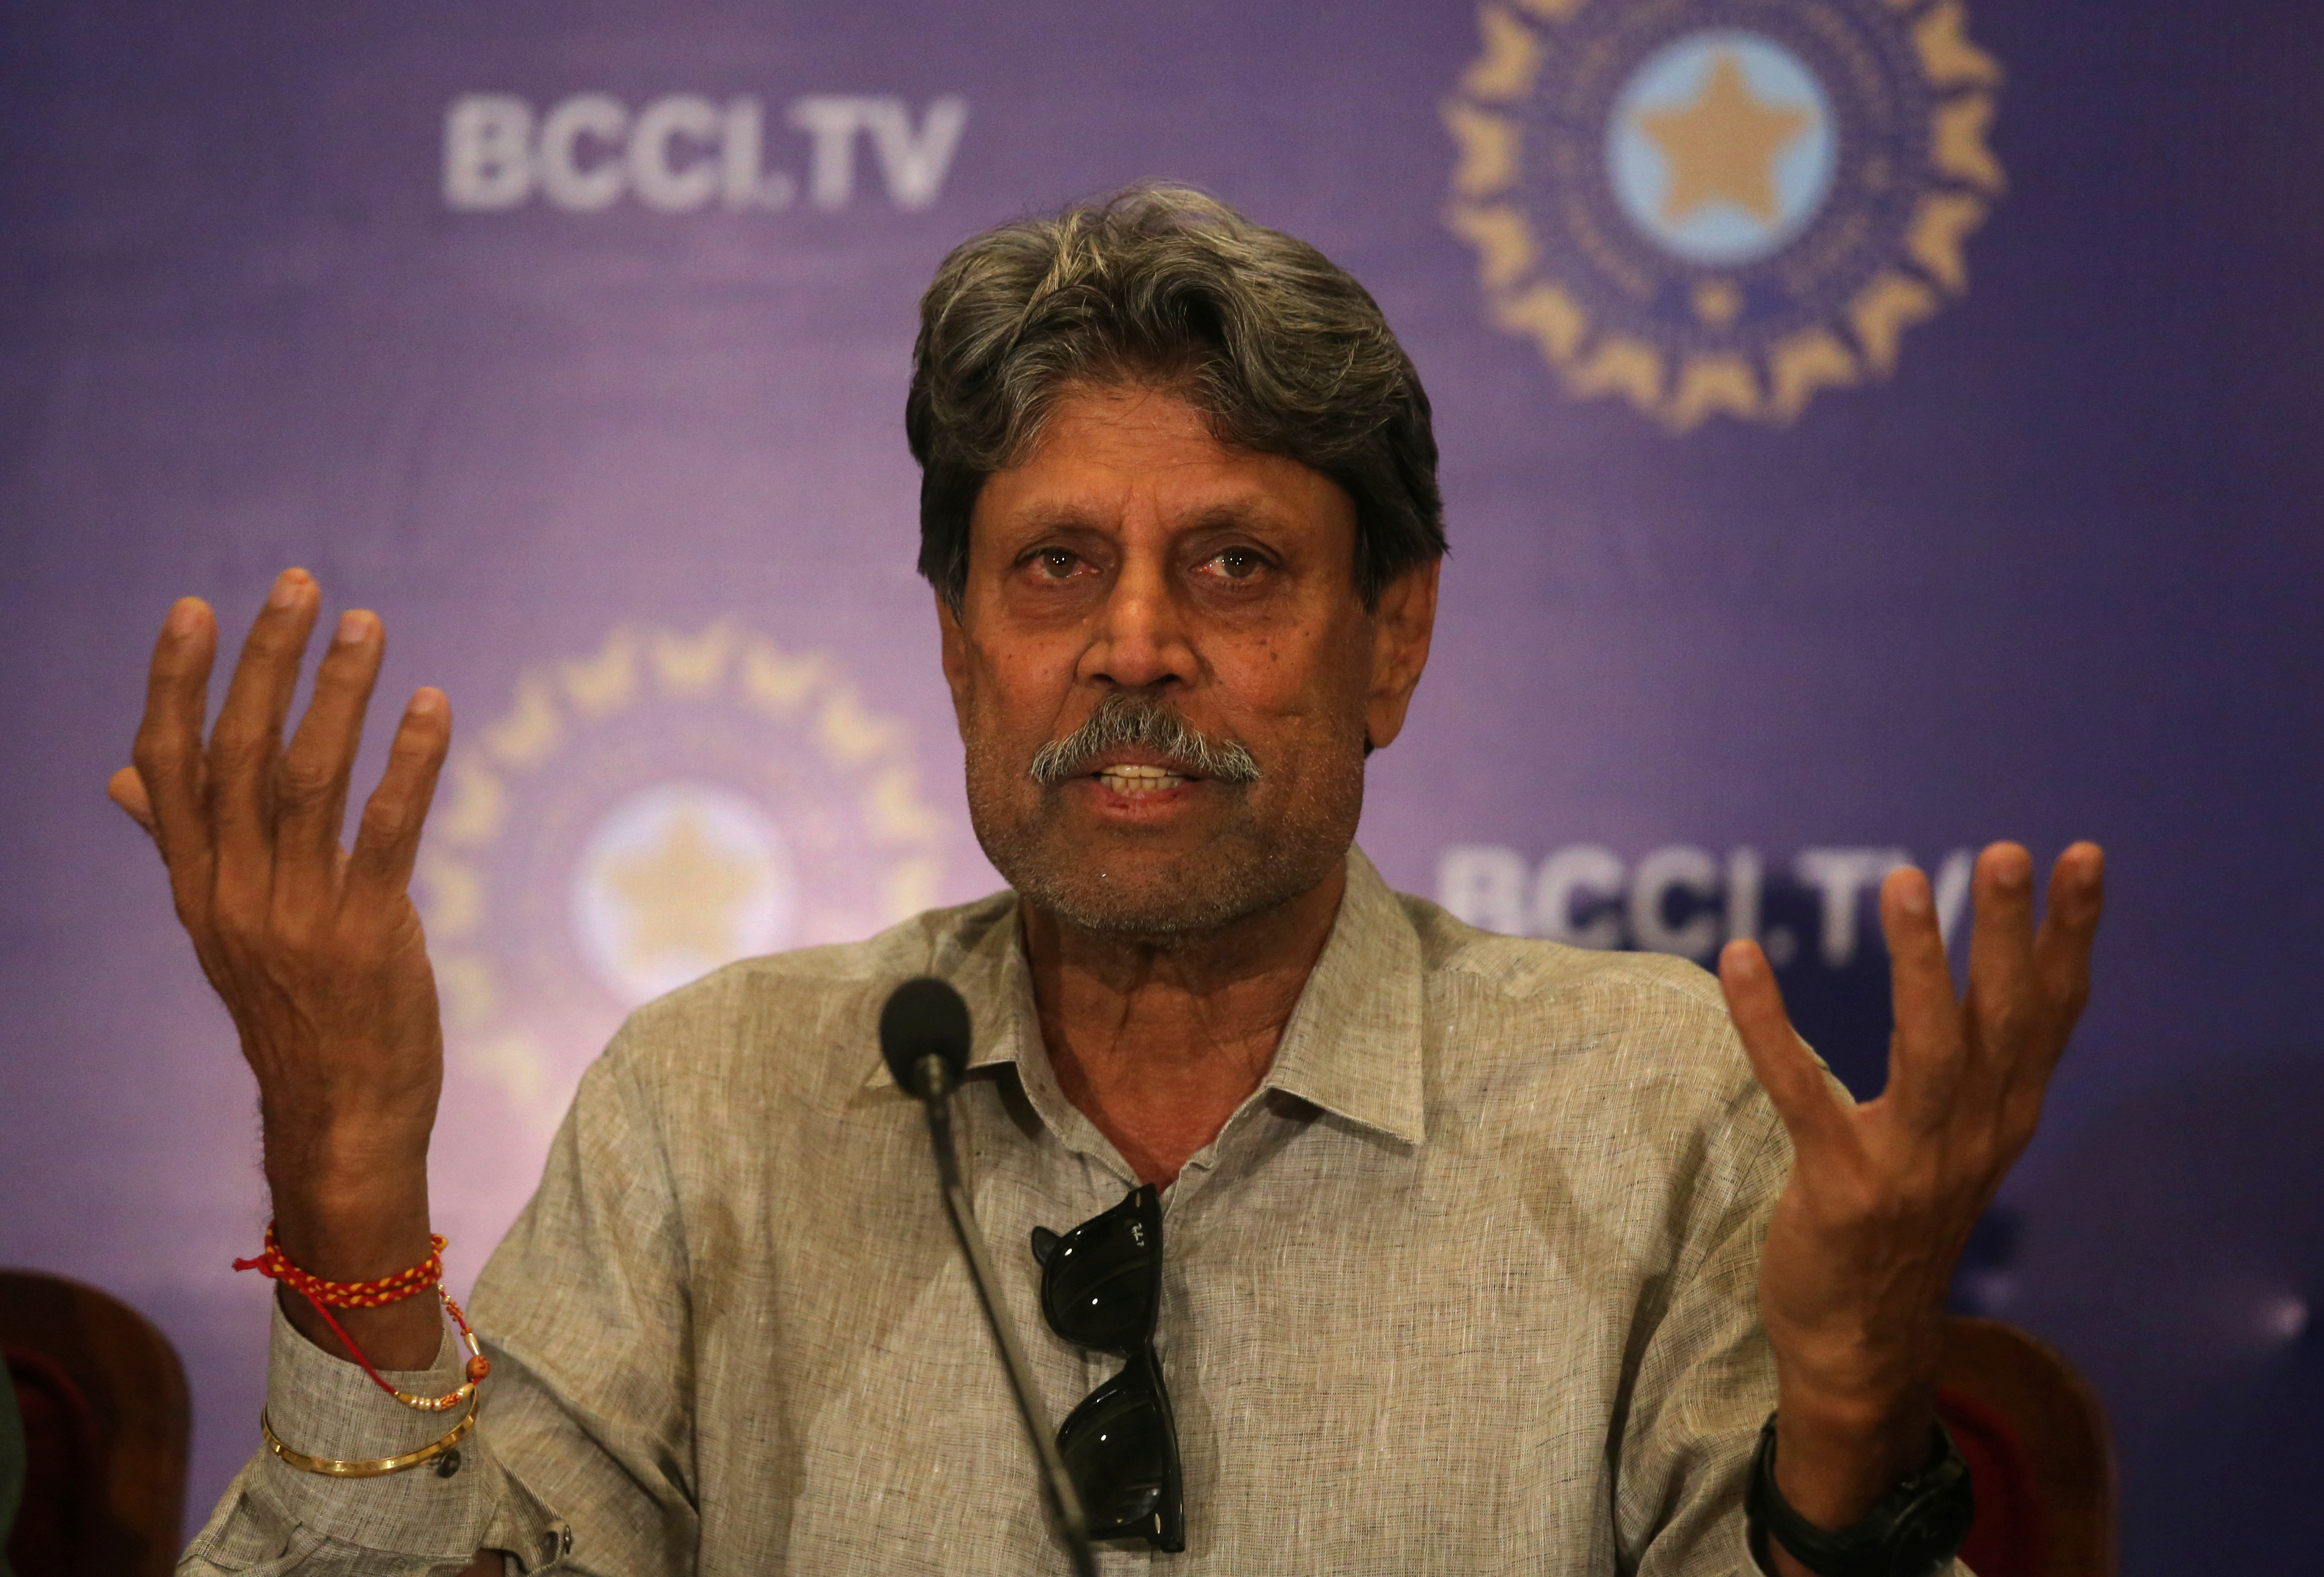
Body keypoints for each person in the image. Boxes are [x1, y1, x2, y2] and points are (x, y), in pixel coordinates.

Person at [120, 187, 2101, 1576]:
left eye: (1234, 564)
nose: (1134, 643)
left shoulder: (1650, 1098)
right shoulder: (715, 1100)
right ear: (961, 646)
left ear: (1391, 639)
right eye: (1055, 564)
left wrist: (1845, 1415)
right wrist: (355, 1174)